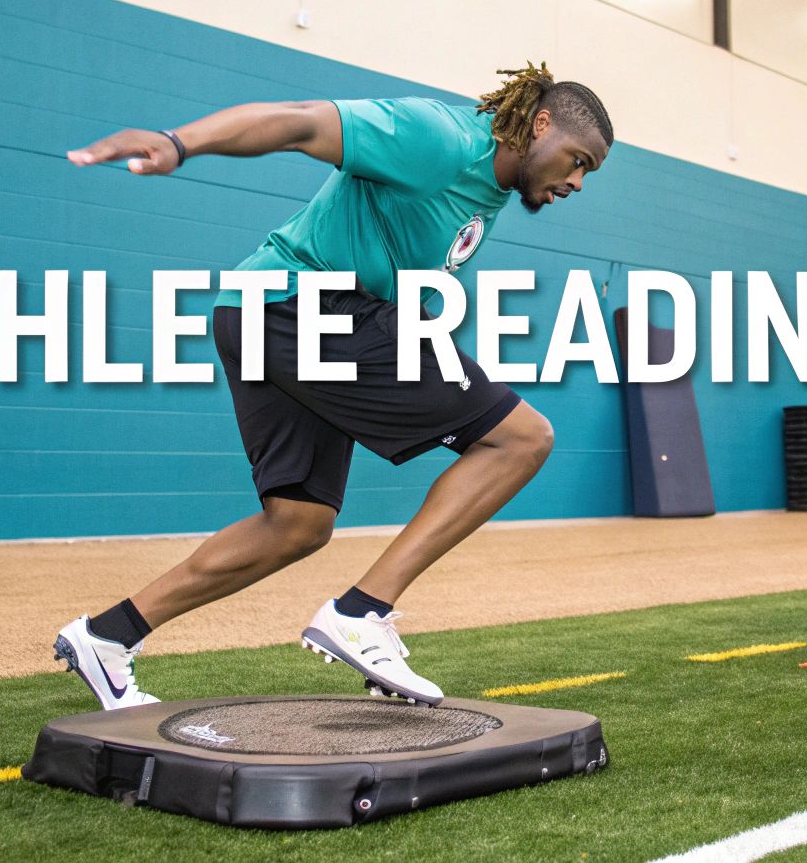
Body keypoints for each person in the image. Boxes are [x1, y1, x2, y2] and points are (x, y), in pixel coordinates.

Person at [50, 65, 612, 708]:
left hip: (270, 313)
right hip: (302, 308)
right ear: (541, 124)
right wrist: (180, 142)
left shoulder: (487, 185)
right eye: (578, 160)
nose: (575, 181)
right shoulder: (442, 139)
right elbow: (301, 121)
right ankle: (362, 612)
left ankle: (106, 636)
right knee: (521, 440)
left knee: (297, 524)